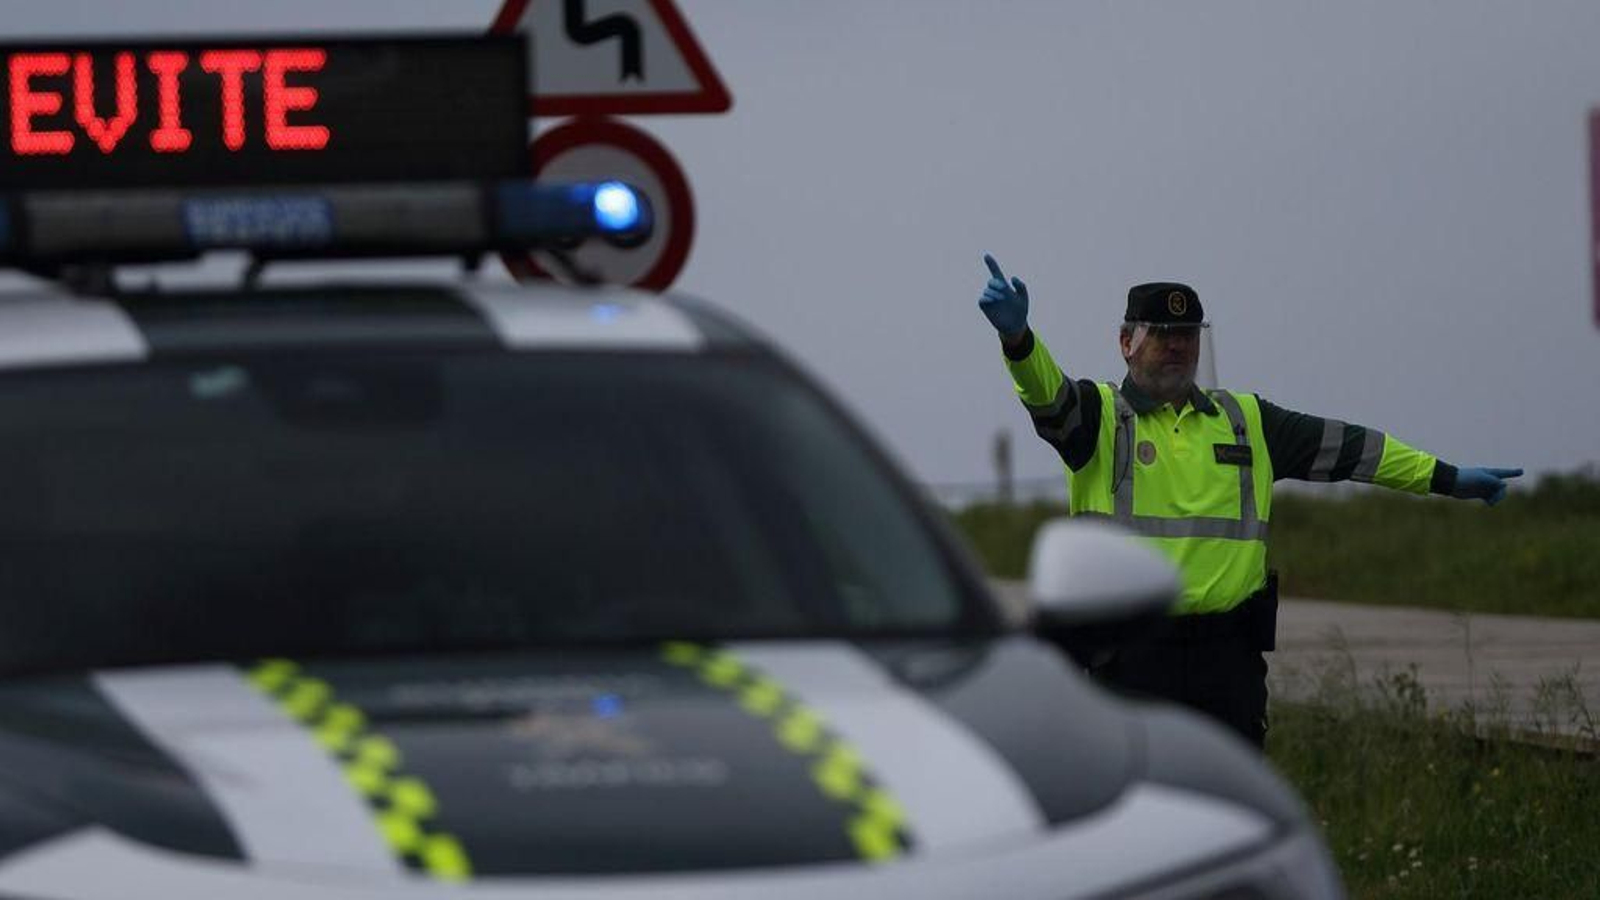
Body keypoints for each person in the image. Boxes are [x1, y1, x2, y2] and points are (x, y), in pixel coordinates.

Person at [977, 253, 1521, 748]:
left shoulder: (1246, 422)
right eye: (1162, 333)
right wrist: (1020, 340)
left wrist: (1446, 477)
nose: (1177, 345)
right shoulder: (1099, 418)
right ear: (1127, 342)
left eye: (1188, 334)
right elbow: (1050, 398)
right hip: (1130, 660)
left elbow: (1355, 450)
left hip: (1227, 663)